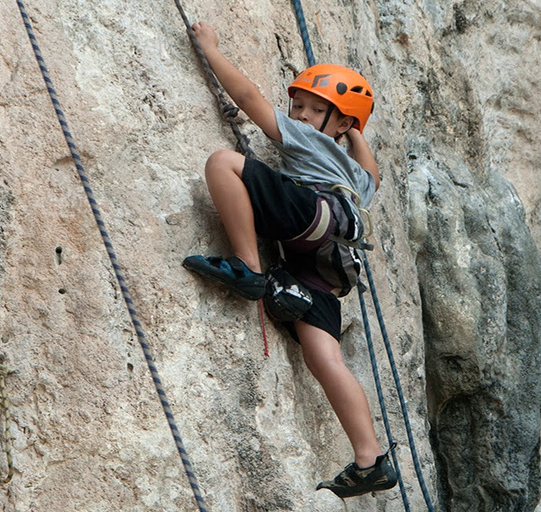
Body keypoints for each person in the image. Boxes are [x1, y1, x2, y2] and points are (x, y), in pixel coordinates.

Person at [182, 21, 397, 498]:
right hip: (326, 260)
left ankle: (247, 268)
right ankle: (370, 459)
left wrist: (210, 51)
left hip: (311, 216)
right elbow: (373, 175)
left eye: (314, 109)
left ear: (336, 125)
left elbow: (251, 99)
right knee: (326, 356)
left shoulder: (307, 140)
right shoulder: (356, 177)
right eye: (297, 104)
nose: (298, 114)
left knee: (223, 163)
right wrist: (355, 129)